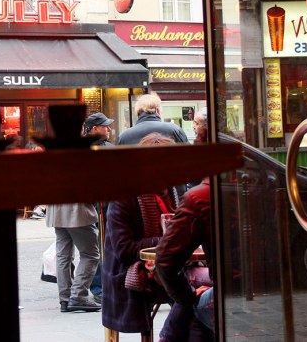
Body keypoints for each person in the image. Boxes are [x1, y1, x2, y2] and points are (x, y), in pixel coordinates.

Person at [102, 133, 177, 337]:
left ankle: (172, 334)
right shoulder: (124, 196)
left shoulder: (169, 191)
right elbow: (125, 250)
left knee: (198, 288)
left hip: (164, 265)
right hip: (130, 271)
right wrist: (166, 241)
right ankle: (170, 336)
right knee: (187, 290)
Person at [155, 177, 214, 342]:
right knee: (192, 289)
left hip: (234, 294)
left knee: (193, 302)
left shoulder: (199, 197)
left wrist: (189, 298)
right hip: (266, 291)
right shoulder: (269, 186)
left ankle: (166, 338)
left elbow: (165, 261)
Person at [46, 201, 101, 312]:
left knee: (63, 256)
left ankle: (65, 299)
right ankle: (77, 296)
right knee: (90, 255)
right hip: (76, 210)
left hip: (56, 210)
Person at [82, 112, 114, 301]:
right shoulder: (105, 149)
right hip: (96, 204)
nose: (108, 129)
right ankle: (99, 286)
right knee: (97, 246)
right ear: (95, 129)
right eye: (105, 126)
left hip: (99, 204)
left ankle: (100, 286)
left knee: (98, 245)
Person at [117, 92, 188, 145]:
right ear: (158, 111)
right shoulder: (175, 130)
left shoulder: (124, 137)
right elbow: (189, 154)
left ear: (138, 113)